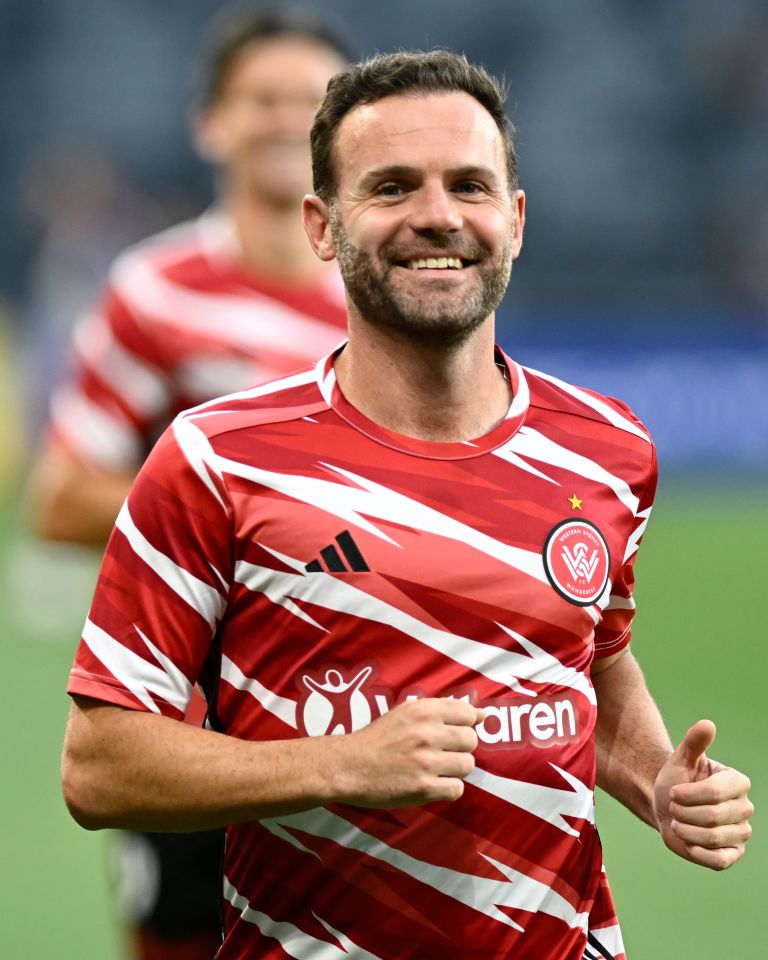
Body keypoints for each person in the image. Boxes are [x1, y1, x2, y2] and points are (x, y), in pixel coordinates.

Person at [60, 50, 753, 960]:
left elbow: (591, 661)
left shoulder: (606, 446)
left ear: (514, 218)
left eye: (468, 185)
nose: (437, 216)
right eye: (392, 187)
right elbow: (98, 765)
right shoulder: (215, 459)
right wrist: (336, 766)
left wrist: (654, 780)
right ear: (323, 224)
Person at [28, 6, 352, 958]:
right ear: (212, 121)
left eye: (314, 99)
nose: (289, 119)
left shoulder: (392, 294)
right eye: (264, 98)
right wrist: (253, 527)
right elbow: (60, 496)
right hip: (189, 707)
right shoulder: (155, 291)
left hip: (359, 687)